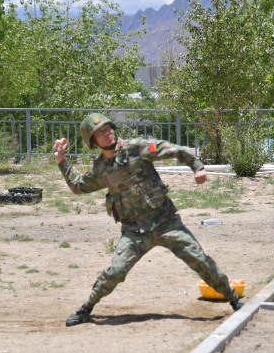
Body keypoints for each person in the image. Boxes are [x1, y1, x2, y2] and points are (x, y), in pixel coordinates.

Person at [54, 113, 243, 327]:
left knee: (201, 261)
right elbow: (78, 186)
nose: (107, 134)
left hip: (166, 223)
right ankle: (86, 308)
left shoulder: (136, 148)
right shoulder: (100, 169)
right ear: (93, 141)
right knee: (115, 272)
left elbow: (174, 149)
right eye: (100, 133)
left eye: (108, 129)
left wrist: (197, 166)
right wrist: (61, 161)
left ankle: (234, 301)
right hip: (134, 232)